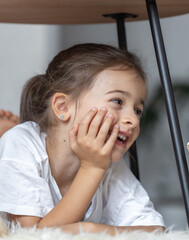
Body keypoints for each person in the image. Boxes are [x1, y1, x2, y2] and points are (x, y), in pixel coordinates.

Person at [0, 43, 165, 234]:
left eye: (138, 111)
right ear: (63, 107)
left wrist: (89, 229)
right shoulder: (20, 144)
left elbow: (156, 231)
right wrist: (92, 168)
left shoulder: (109, 166)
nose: (134, 120)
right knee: (13, 139)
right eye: (118, 101)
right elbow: (33, 236)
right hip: (17, 148)